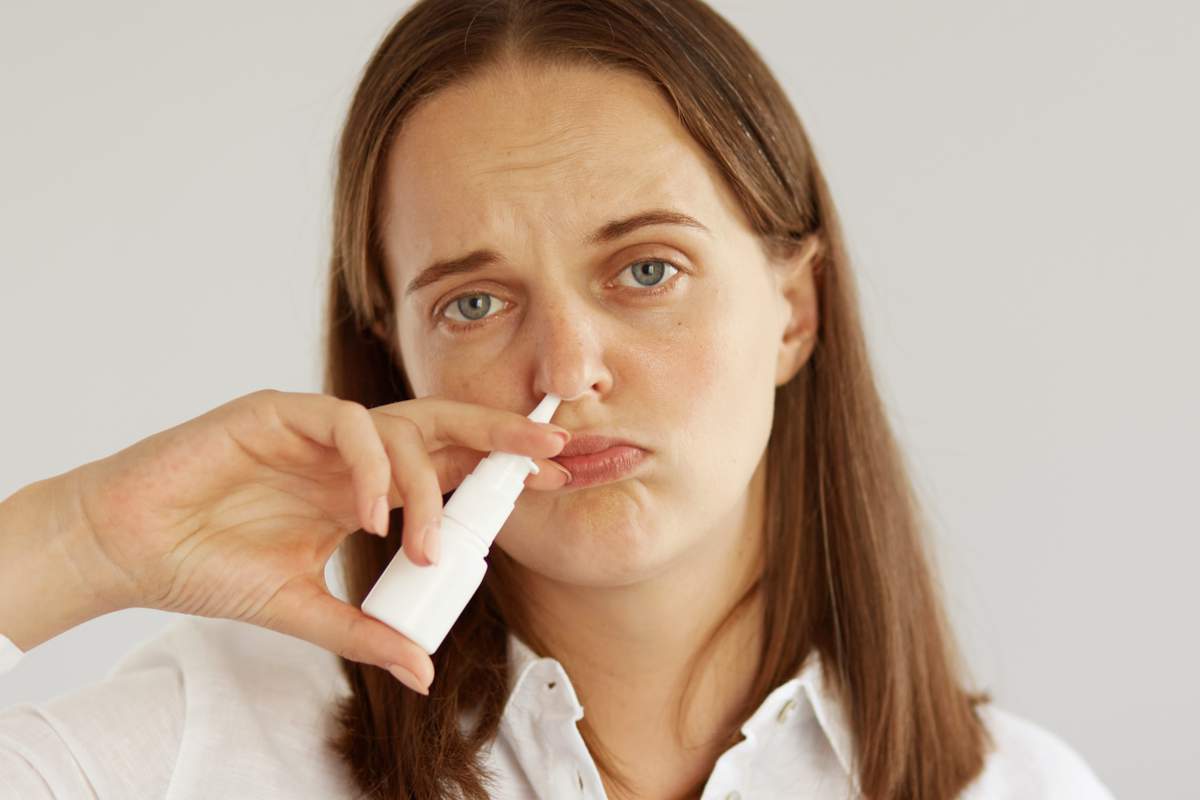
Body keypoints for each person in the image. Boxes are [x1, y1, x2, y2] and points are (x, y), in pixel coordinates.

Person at [0, 1, 1117, 798]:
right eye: (475, 302)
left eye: (646, 270)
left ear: (793, 309)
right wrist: (78, 540)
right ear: (396, 356)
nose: (566, 369)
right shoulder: (203, 746)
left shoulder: (1023, 786)